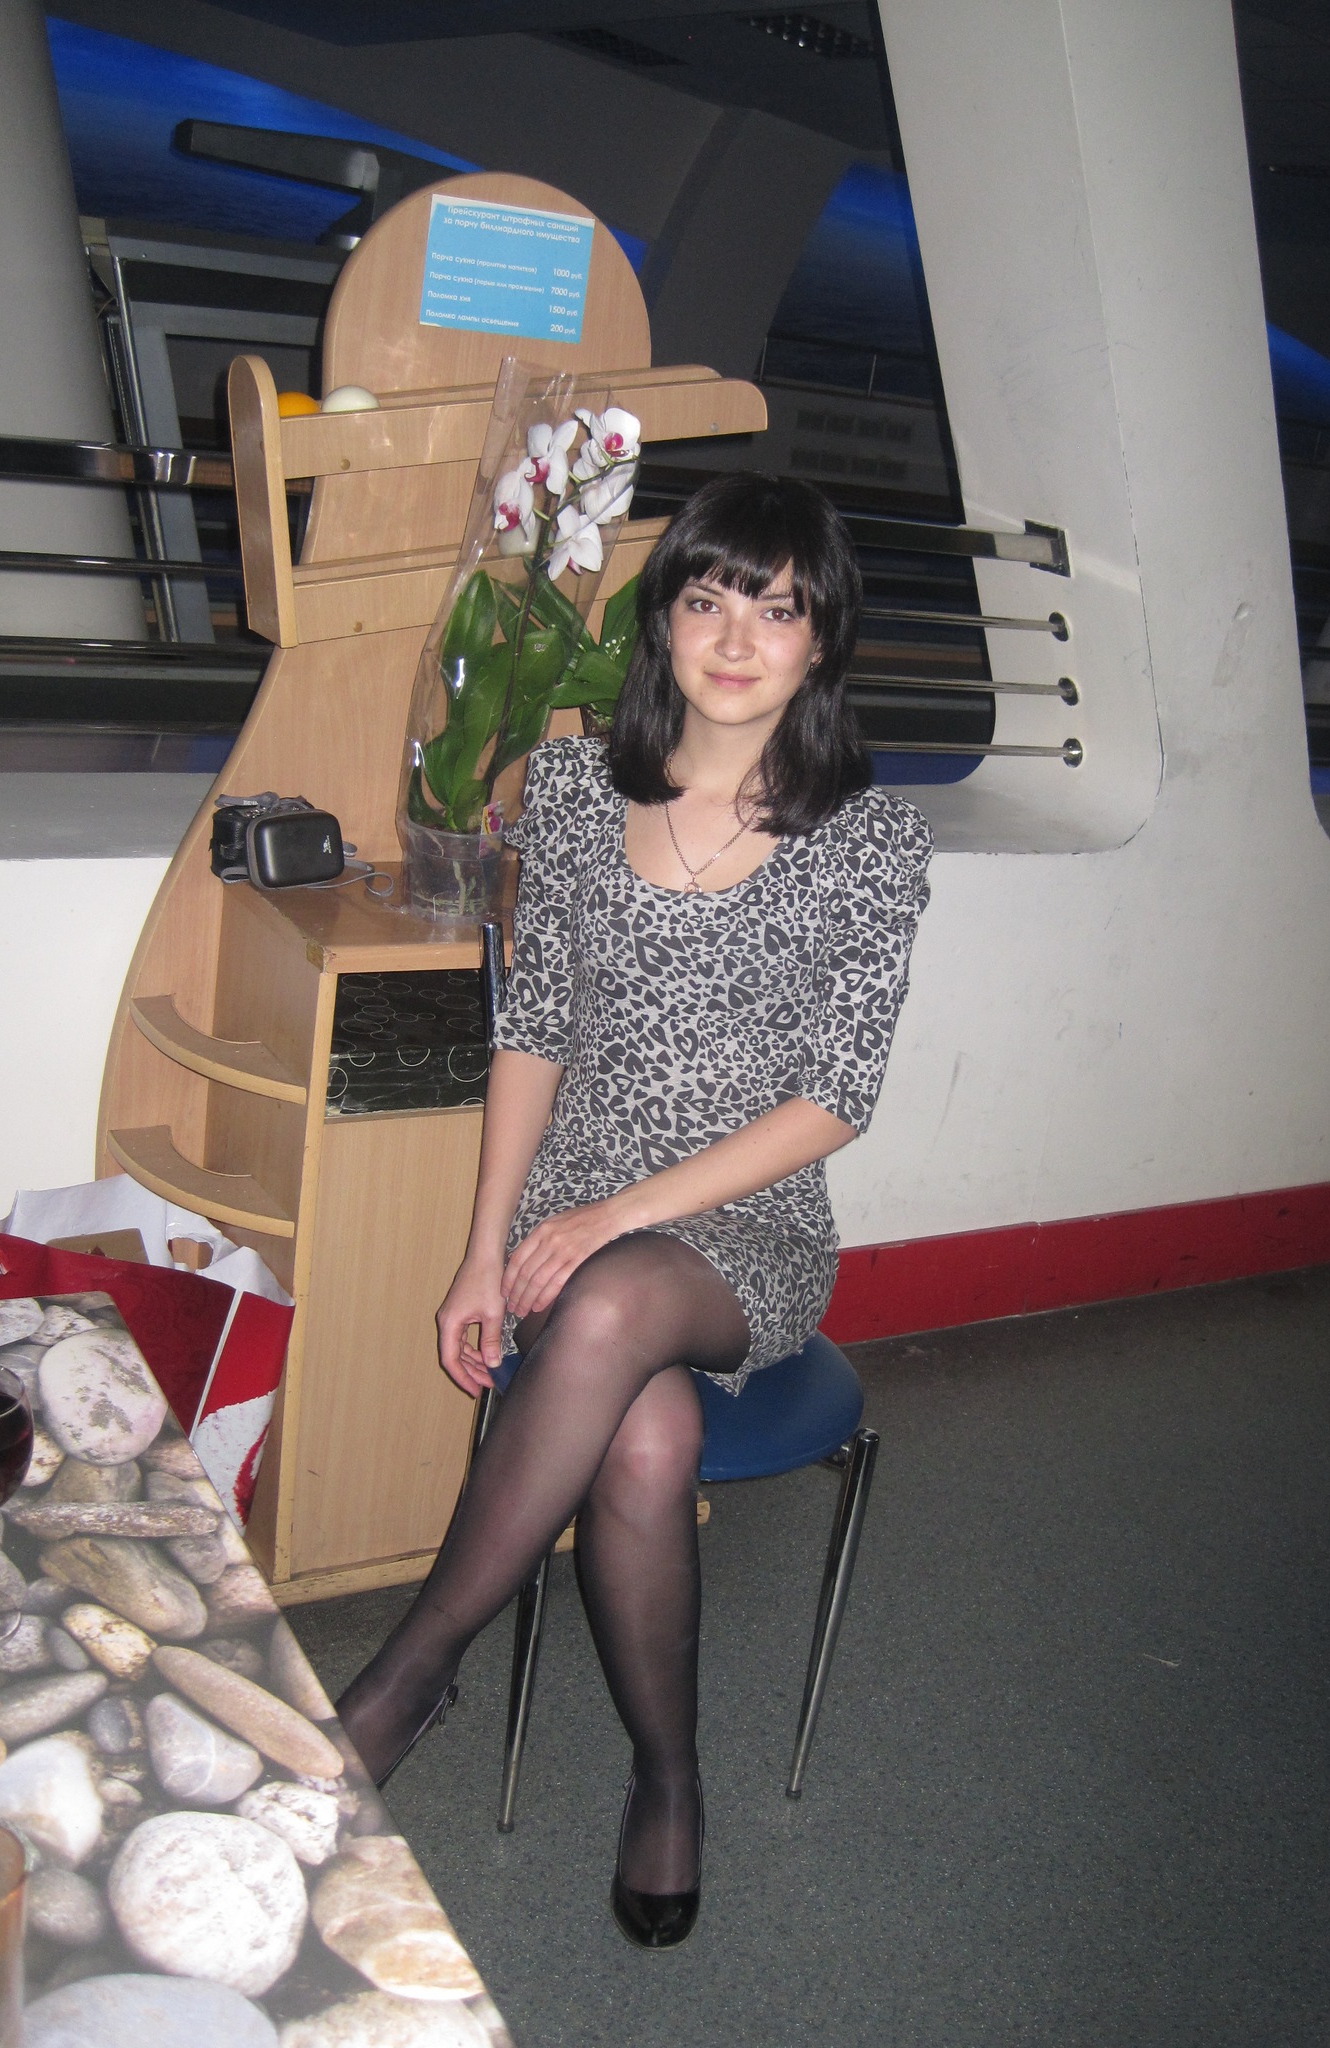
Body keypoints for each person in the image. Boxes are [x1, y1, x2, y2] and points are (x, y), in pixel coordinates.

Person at [337, 472, 933, 1948]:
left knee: (611, 1303)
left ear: (821, 638)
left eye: (777, 610)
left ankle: (406, 1678)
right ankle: (669, 1782)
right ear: (664, 617)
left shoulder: (871, 838)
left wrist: (611, 1220)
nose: (736, 638)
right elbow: (533, 1031)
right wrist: (483, 1253)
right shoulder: (571, 792)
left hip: (742, 1233)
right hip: (569, 1221)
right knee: (647, 1438)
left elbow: (834, 1096)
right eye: (708, 598)